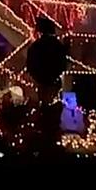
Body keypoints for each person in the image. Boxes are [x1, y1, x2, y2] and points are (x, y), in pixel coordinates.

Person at [25, 17, 68, 153]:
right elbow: (63, 64)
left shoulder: (36, 46)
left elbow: (30, 64)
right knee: (53, 109)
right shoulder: (57, 46)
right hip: (52, 81)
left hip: (43, 81)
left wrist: (37, 76)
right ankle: (52, 137)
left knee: (45, 107)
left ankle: (45, 136)